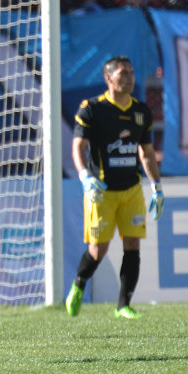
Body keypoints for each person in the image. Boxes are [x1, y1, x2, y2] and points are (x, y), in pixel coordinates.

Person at [65, 56, 164, 319]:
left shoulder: (141, 111)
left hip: (131, 190)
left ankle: (123, 305)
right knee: (99, 250)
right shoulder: (92, 109)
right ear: (109, 78)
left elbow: (146, 153)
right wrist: (85, 176)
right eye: (123, 73)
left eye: (132, 73)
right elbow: (78, 146)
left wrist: (156, 186)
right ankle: (79, 283)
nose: (130, 78)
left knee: (133, 244)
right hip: (101, 191)